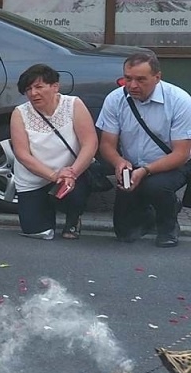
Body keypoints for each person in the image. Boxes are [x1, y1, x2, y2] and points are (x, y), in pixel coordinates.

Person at [97, 51, 191, 248]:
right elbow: (107, 144)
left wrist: (146, 171)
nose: (132, 85)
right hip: (132, 164)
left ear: (157, 78)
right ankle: (148, 215)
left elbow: (181, 153)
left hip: (172, 164)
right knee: (124, 233)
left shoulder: (180, 101)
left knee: (154, 186)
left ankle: (168, 225)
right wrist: (118, 161)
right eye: (128, 78)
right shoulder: (115, 99)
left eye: (141, 80)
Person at [10, 63, 98, 240]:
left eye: (39, 87)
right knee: (37, 232)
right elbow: (22, 154)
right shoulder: (19, 113)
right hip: (35, 179)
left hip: (71, 173)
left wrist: (71, 173)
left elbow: (90, 143)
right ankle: (42, 210)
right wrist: (53, 175)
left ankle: (73, 219)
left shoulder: (74, 104)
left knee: (75, 192)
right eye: (28, 89)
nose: (33, 93)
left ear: (55, 86)